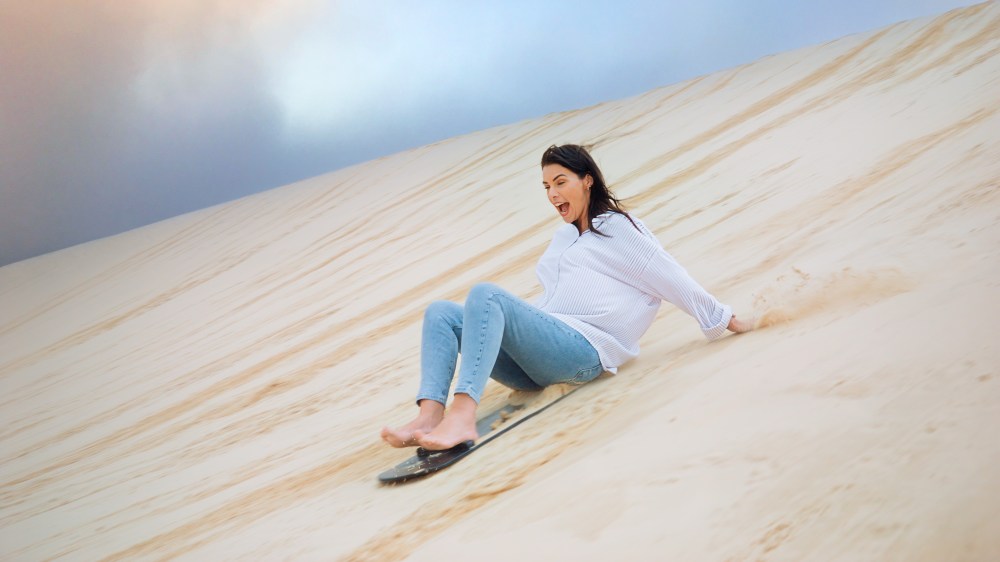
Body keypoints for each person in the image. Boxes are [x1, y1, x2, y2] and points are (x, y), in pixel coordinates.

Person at [381, 144, 753, 451]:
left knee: (486, 294)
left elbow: (668, 274)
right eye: (546, 187)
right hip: (541, 360)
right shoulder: (563, 237)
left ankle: (462, 417)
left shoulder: (617, 228)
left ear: (587, 180)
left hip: (585, 351)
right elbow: (553, 303)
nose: (553, 194)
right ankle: (430, 413)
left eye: (560, 182)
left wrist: (721, 317)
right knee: (442, 312)